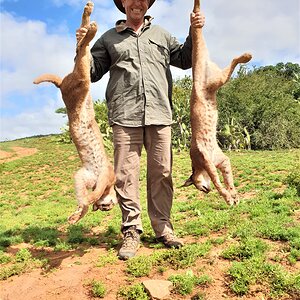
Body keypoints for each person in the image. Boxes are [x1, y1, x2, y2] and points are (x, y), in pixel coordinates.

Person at [76, 0, 205, 260]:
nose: (137, 2)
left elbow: (184, 59)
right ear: (123, 3)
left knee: (162, 172)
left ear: (147, 4)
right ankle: (131, 230)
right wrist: (82, 46)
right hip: (125, 115)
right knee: (125, 176)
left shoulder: (162, 35)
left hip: (159, 113)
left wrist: (194, 30)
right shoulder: (108, 39)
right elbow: (91, 72)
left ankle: (163, 228)